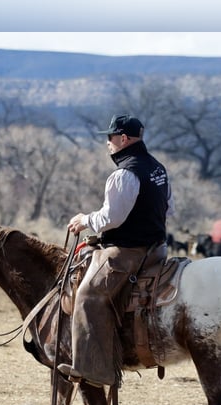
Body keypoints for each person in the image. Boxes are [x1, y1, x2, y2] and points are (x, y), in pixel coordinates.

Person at [58, 114, 174, 387]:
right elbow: (169, 208)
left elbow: (112, 218)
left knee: (87, 295)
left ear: (123, 139)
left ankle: (93, 369)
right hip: (156, 249)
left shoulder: (124, 174)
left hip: (128, 251)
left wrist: (84, 220)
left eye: (110, 137)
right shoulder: (157, 168)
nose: (108, 143)